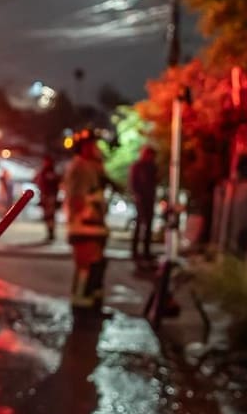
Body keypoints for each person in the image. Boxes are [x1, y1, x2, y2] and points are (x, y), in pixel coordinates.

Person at [63, 131, 117, 310]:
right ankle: (81, 301)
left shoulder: (93, 166)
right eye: (92, 145)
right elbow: (77, 198)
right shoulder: (79, 167)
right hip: (84, 224)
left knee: (96, 263)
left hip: (95, 223)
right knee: (86, 263)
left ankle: (92, 297)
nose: (96, 149)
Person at [129, 145, 159, 262]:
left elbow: (154, 181)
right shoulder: (137, 166)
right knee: (140, 224)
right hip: (141, 198)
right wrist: (137, 196)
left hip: (149, 198)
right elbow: (133, 183)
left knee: (148, 225)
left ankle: (145, 251)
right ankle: (135, 251)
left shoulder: (151, 167)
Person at [33, 155, 61, 241]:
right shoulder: (44, 172)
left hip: (50, 196)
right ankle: (49, 232)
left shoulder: (50, 172)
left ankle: (51, 233)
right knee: (47, 216)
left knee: (50, 216)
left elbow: (54, 185)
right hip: (45, 196)